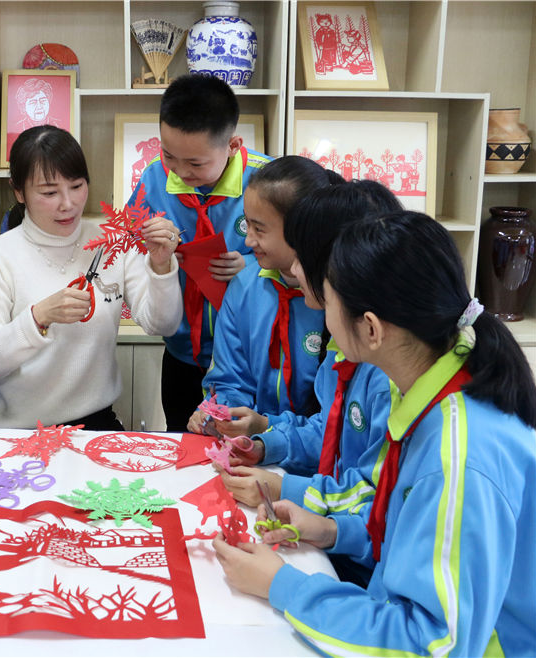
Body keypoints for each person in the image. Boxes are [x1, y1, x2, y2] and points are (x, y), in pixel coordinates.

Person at [213, 211, 536, 656]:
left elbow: (434, 644)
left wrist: (283, 587)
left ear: (371, 328)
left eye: (327, 304)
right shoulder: (438, 394)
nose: (322, 320)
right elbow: (413, 540)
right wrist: (330, 531)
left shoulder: (458, 452)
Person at [214, 180, 402, 587]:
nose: (294, 271)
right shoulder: (349, 347)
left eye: (303, 258)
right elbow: (328, 431)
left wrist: (286, 486)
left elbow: (382, 500)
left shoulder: (393, 378)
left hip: (371, 571)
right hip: (349, 549)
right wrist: (267, 441)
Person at [0, 125, 182, 429]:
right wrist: (38, 317)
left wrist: (161, 265)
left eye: (77, 186)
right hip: (13, 431)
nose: (67, 203)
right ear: (19, 191)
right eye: (49, 192)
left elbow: (163, 324)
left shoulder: (111, 244)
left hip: (94, 424)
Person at [128, 73, 272, 431]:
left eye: (195, 163)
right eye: (169, 155)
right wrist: (151, 247)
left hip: (248, 361)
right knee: (183, 445)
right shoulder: (153, 178)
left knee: (239, 453)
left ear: (233, 145)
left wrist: (252, 264)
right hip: (181, 354)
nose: (178, 170)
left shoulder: (268, 182)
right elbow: (129, 242)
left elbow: (300, 258)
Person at [188, 156, 333, 437]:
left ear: (302, 229)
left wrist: (270, 430)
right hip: (256, 449)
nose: (248, 241)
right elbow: (229, 379)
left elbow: (334, 422)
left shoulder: (337, 298)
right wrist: (223, 414)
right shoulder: (244, 285)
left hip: (320, 459)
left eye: (259, 229)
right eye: (247, 226)